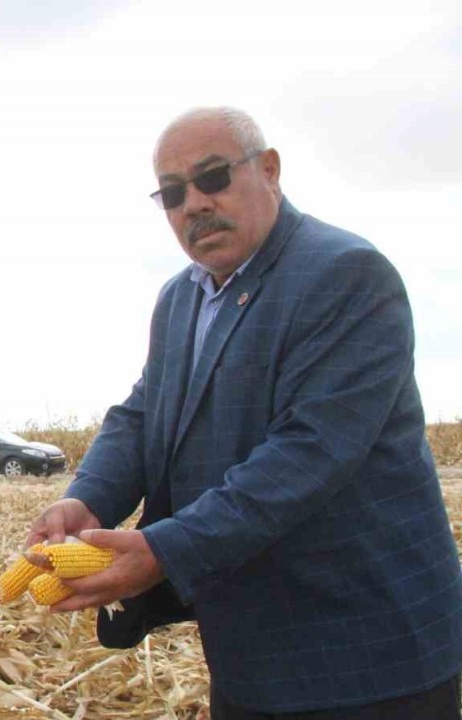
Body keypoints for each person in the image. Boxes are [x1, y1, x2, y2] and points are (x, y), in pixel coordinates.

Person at [26, 107, 462, 718]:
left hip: (366, 652)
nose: (194, 204)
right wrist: (89, 497)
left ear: (270, 170)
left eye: (213, 178)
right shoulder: (181, 296)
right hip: (250, 654)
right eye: (173, 194)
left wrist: (163, 551)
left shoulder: (345, 275)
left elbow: (307, 454)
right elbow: (144, 414)